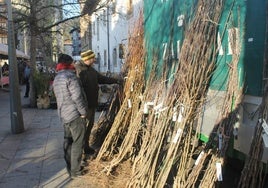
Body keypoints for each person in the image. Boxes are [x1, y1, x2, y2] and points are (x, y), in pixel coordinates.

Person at [75, 49, 122, 160]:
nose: (95, 60)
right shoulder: (79, 70)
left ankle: (86, 147)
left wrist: (116, 80)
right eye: (93, 58)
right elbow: (76, 91)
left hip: (92, 104)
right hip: (84, 106)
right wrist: (81, 107)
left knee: (89, 127)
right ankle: (80, 153)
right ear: (88, 59)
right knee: (83, 129)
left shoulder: (91, 70)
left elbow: (102, 78)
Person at [53, 53, 88, 179]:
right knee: (77, 142)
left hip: (64, 114)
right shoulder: (71, 77)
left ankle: (70, 167)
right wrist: (83, 112)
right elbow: (77, 97)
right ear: (69, 64)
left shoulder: (57, 77)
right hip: (74, 114)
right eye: (72, 62)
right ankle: (76, 171)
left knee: (68, 141)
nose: (74, 64)